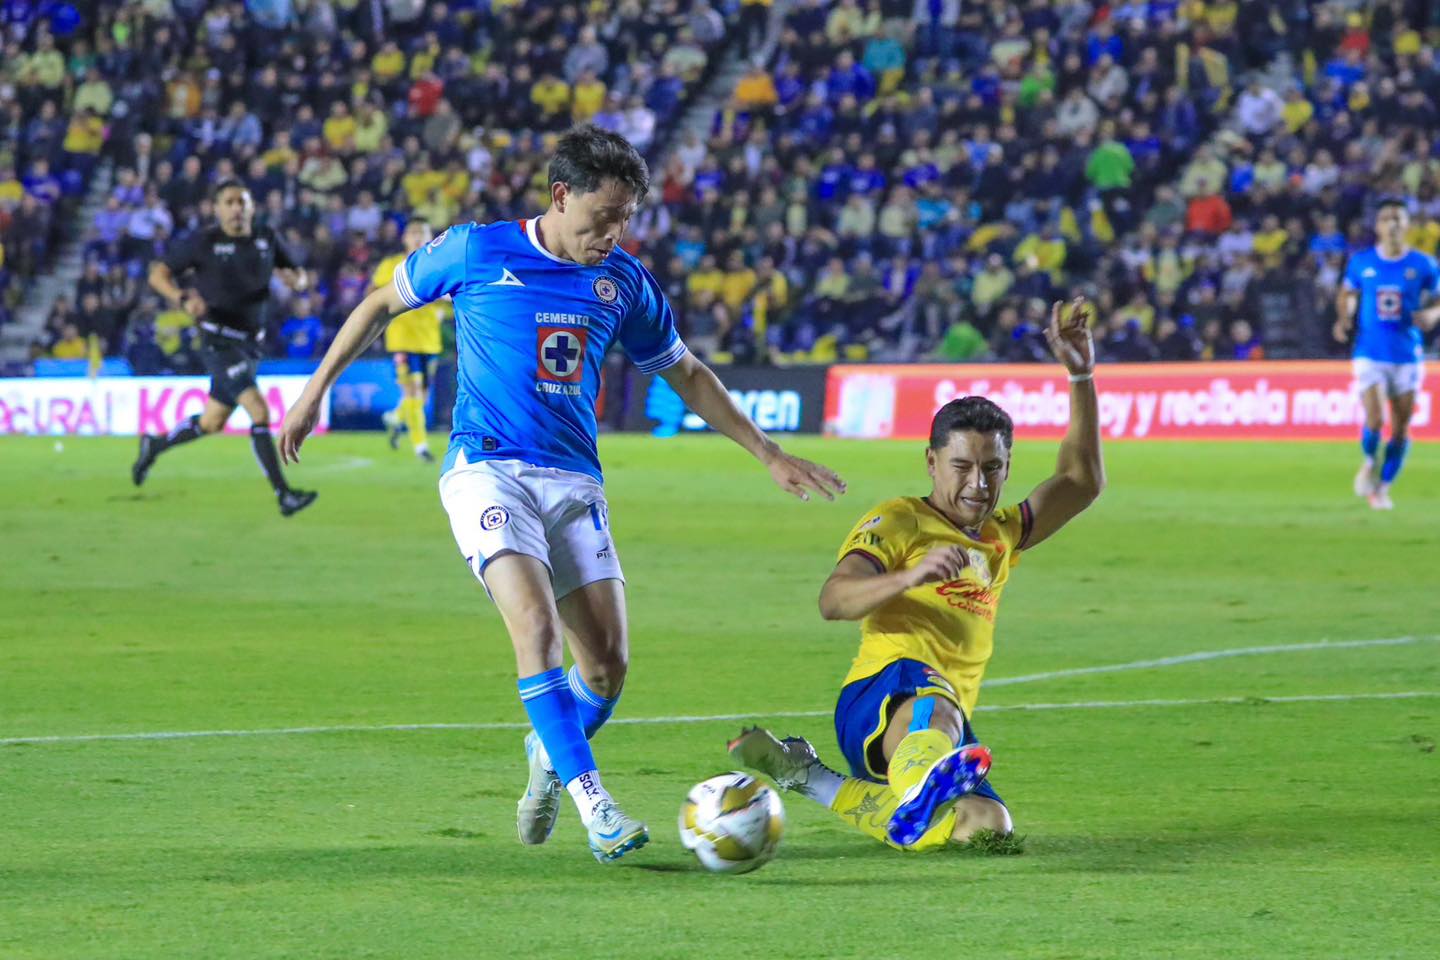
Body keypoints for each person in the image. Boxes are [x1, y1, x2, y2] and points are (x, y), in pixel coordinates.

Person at [277, 126, 845, 862]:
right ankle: (594, 804)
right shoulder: (478, 250)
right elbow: (381, 303)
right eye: (601, 218)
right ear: (559, 196)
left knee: (606, 668)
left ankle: (548, 752)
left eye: (626, 219)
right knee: (534, 628)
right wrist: (312, 393)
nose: (612, 234)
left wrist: (766, 452)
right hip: (488, 469)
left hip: (575, 481)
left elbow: (687, 372)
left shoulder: (625, 283)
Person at [730, 297, 1105, 852]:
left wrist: (1081, 373)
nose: (978, 483)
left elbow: (1080, 481)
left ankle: (819, 780)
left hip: (939, 726)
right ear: (932, 463)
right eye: (962, 466)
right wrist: (907, 577)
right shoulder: (901, 520)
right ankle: (920, 781)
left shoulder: (1003, 534)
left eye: (992, 468)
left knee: (986, 826)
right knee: (935, 699)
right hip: (883, 692)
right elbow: (834, 600)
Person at [132, 180, 317, 517]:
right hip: (218, 342)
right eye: (229, 202)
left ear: (251, 206)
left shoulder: (266, 238)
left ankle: (154, 445)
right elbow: (158, 274)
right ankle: (284, 495)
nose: (236, 208)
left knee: (212, 421)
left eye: (242, 202)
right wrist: (182, 298)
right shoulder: (205, 242)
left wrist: (298, 281)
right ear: (217, 209)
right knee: (259, 412)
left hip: (250, 346)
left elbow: (298, 273)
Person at [1334, 199, 1440, 510]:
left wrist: (1433, 316)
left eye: (1397, 218)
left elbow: (1438, 300)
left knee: (1402, 427)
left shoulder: (1423, 264)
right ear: (1377, 226)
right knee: (1375, 418)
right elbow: (1348, 294)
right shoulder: (1361, 262)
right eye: (1385, 218)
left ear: (1407, 224)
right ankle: (1369, 458)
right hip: (1370, 351)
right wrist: (1344, 318)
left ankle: (1382, 487)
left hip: (1407, 354)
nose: (1392, 223)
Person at [368, 219, 446, 461]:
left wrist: (445, 303)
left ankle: (395, 418)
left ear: (430, 237)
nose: (416, 237)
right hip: (402, 339)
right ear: (404, 238)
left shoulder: (441, 265)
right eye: (412, 233)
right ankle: (420, 446)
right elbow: (373, 293)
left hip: (429, 340)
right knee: (412, 391)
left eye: (421, 233)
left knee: (420, 397)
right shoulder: (392, 265)